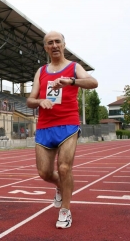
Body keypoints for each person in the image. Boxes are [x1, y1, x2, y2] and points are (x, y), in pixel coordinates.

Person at [26, 31, 98, 229]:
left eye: (58, 41)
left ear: (64, 45)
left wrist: (72, 81)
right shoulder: (41, 71)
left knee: (64, 168)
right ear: (46, 48)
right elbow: (30, 100)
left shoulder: (74, 67)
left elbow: (93, 82)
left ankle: (65, 210)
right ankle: (60, 185)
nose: (55, 45)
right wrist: (40, 100)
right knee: (44, 173)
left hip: (68, 124)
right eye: (50, 43)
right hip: (45, 127)